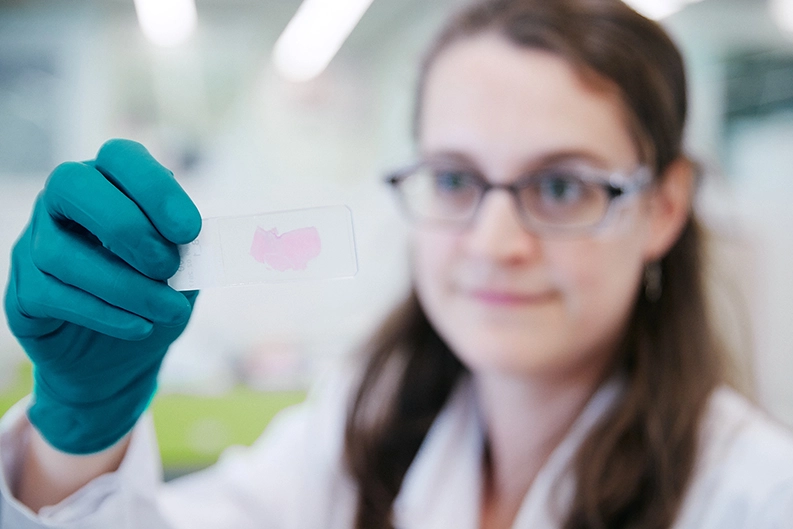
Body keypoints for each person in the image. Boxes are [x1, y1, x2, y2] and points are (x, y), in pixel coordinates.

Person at [2, 0, 793, 527]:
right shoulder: (360, 422)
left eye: (560, 185)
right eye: (453, 179)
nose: (492, 242)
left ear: (660, 207)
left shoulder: (755, 495)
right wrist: (76, 432)